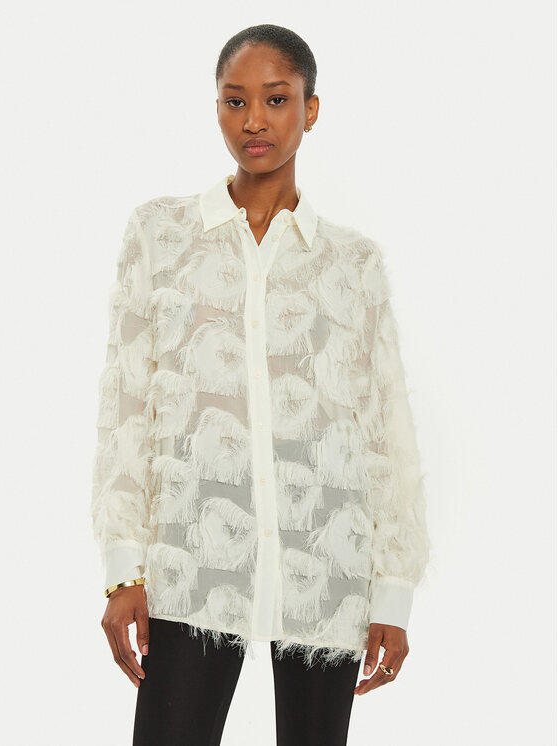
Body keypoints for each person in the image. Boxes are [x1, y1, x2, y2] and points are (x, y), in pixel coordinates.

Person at [91, 23, 430, 746]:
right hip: (192, 564)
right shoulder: (160, 235)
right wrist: (124, 570)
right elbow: (126, 407)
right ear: (216, 107)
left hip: (326, 567)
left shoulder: (353, 264)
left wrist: (393, 592)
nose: (254, 120)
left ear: (311, 108)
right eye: (234, 100)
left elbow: (385, 430)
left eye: (276, 99)